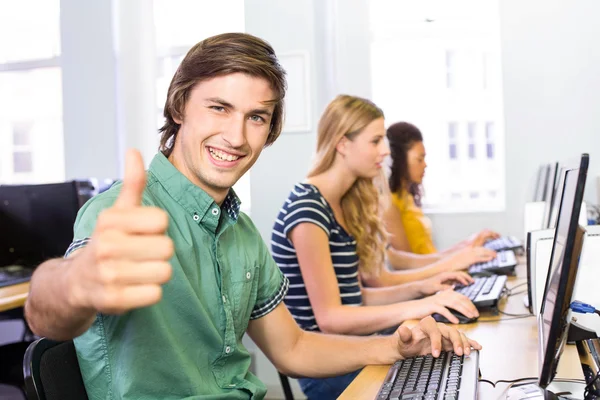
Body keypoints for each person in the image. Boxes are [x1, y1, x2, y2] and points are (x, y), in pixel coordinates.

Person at [24, 34, 480, 400]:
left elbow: (293, 347)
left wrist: (394, 347)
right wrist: (78, 281)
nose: (237, 136)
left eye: (257, 117)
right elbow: (46, 311)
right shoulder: (120, 213)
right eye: (219, 108)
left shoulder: (240, 232)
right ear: (180, 106)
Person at [271, 95, 481, 399]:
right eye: (375, 141)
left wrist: (426, 290)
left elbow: (358, 296)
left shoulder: (341, 203)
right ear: (343, 144)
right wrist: (420, 303)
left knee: (451, 364)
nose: (385, 151)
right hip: (329, 367)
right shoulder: (308, 210)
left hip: (355, 348)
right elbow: (330, 318)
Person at [384, 121, 500, 257]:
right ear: (400, 160)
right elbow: (408, 265)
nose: (425, 165)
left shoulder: (407, 198)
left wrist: (469, 244)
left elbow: (429, 258)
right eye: (419, 159)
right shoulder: (390, 204)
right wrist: (465, 250)